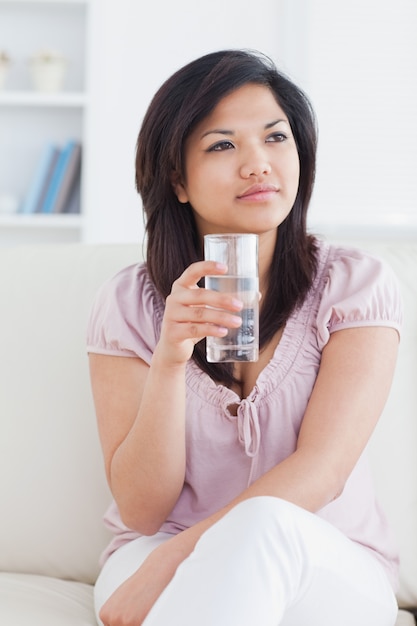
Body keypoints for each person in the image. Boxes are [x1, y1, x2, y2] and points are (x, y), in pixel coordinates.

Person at [87, 49, 402, 626]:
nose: (259, 164)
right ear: (177, 180)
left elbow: (323, 471)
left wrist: (178, 561)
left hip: (322, 557)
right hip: (159, 545)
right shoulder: (129, 303)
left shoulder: (355, 284)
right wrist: (168, 360)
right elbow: (142, 508)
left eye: (276, 138)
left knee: (266, 525)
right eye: (223, 144)